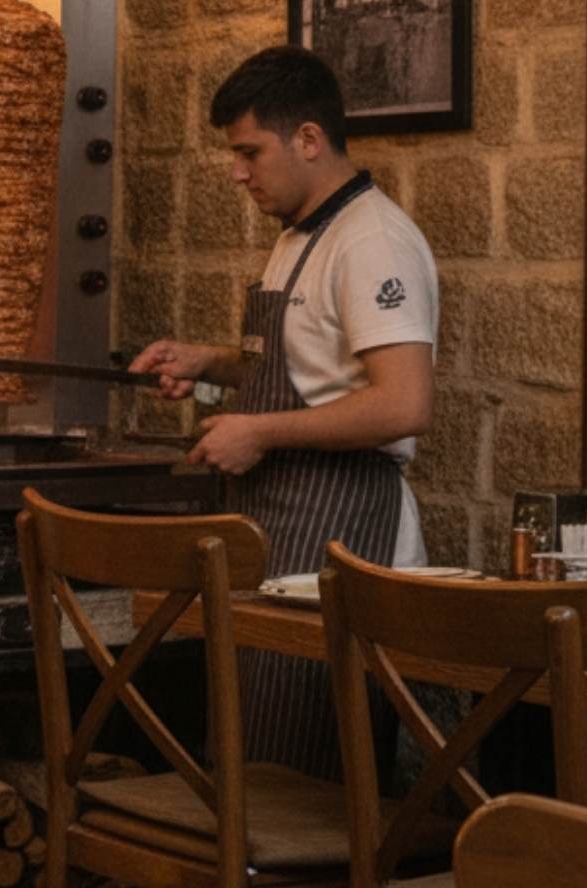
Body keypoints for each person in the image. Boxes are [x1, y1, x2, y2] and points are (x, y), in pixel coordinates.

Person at [129, 45, 437, 778]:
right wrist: (209, 363)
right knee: (256, 768)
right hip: (281, 527)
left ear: (308, 139)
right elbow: (305, 371)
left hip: (344, 534)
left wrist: (258, 430)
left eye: (248, 152)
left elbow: (404, 402)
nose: (238, 172)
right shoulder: (302, 235)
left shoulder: (373, 241)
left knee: (311, 781)